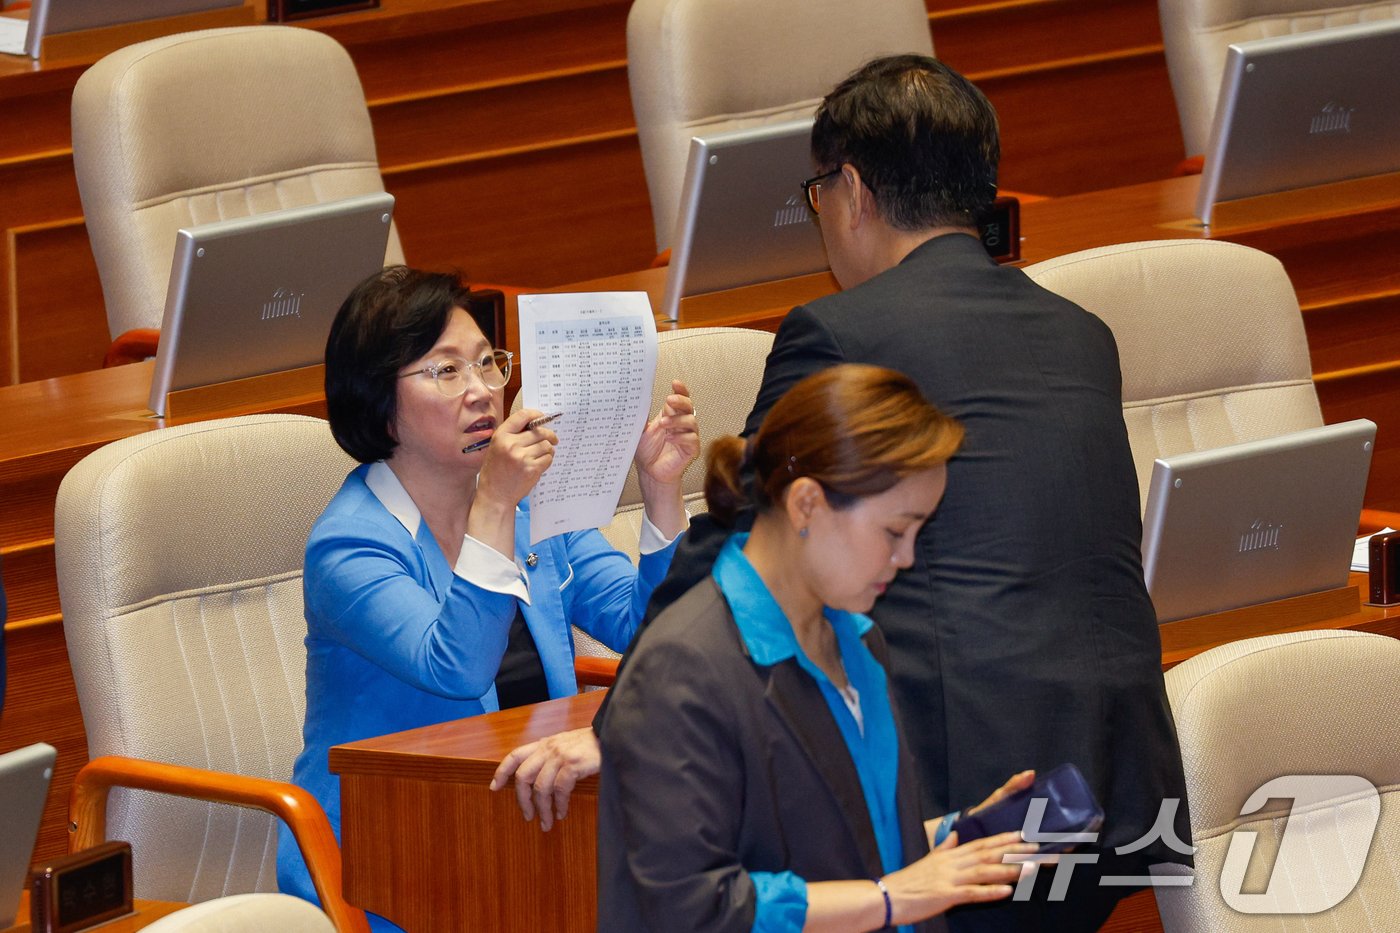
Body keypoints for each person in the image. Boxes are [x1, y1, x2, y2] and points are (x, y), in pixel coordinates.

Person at [500, 54, 1191, 931]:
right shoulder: (1080, 332)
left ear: (852, 189)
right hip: (1112, 778)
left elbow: (742, 538)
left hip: (961, 790)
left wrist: (628, 719)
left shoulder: (839, 332)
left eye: (816, 192)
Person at [276, 266, 698, 930]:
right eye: (446, 372)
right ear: (378, 403)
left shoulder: (530, 506)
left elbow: (649, 624)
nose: (482, 391)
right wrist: (497, 502)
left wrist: (663, 492)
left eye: (488, 364)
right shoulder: (350, 545)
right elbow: (458, 666)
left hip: (528, 828)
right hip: (392, 852)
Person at [598, 364, 1040, 933]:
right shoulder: (679, 669)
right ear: (806, 505)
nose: (906, 559)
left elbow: (850, 841)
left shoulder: (858, 640)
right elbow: (689, 907)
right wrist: (890, 899)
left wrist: (963, 837)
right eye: (894, 531)